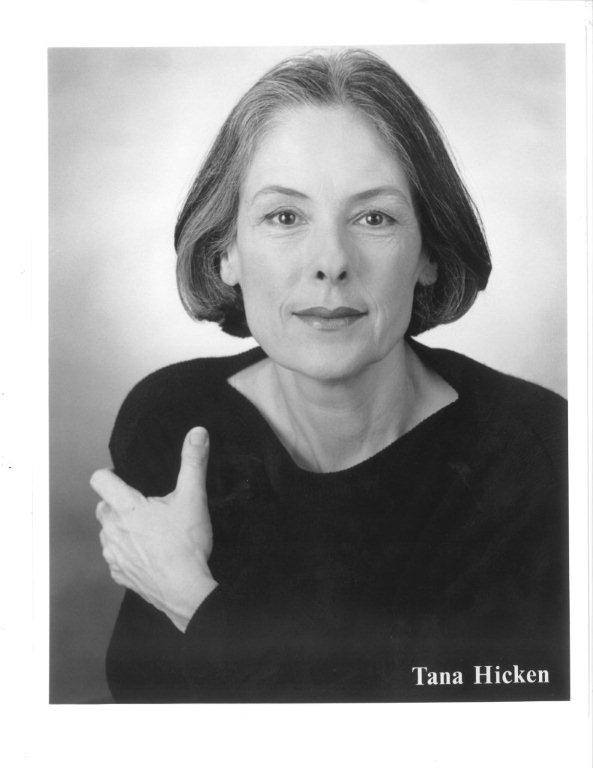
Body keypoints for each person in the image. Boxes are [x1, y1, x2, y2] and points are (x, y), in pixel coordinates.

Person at [90, 49, 569, 703]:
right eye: (285, 217)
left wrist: (191, 598)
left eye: (374, 218)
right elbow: (148, 707)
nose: (331, 262)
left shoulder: (538, 451)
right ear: (226, 252)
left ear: (428, 253)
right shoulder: (171, 417)